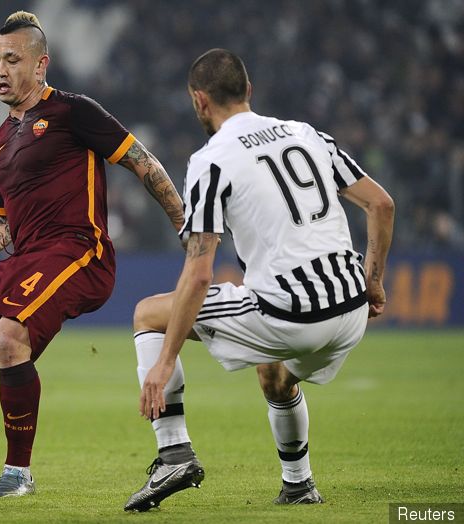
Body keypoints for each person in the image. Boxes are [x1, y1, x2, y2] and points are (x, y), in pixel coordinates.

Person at [0, 11, 184, 498]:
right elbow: (2, 222)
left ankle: (17, 474)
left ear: (40, 64)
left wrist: (184, 224)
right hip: (24, 259)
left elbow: (142, 161)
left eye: (12, 59)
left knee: (11, 334)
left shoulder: (74, 112)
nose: (0, 71)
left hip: (78, 251)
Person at [124, 48, 394, 511]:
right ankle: (299, 484)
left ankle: (173, 453)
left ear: (199, 102)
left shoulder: (211, 160)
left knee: (148, 314)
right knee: (274, 375)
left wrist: (166, 360)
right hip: (350, 311)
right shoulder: (307, 134)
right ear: (248, 90)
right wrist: (373, 281)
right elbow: (381, 204)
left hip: (292, 313)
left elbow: (199, 269)